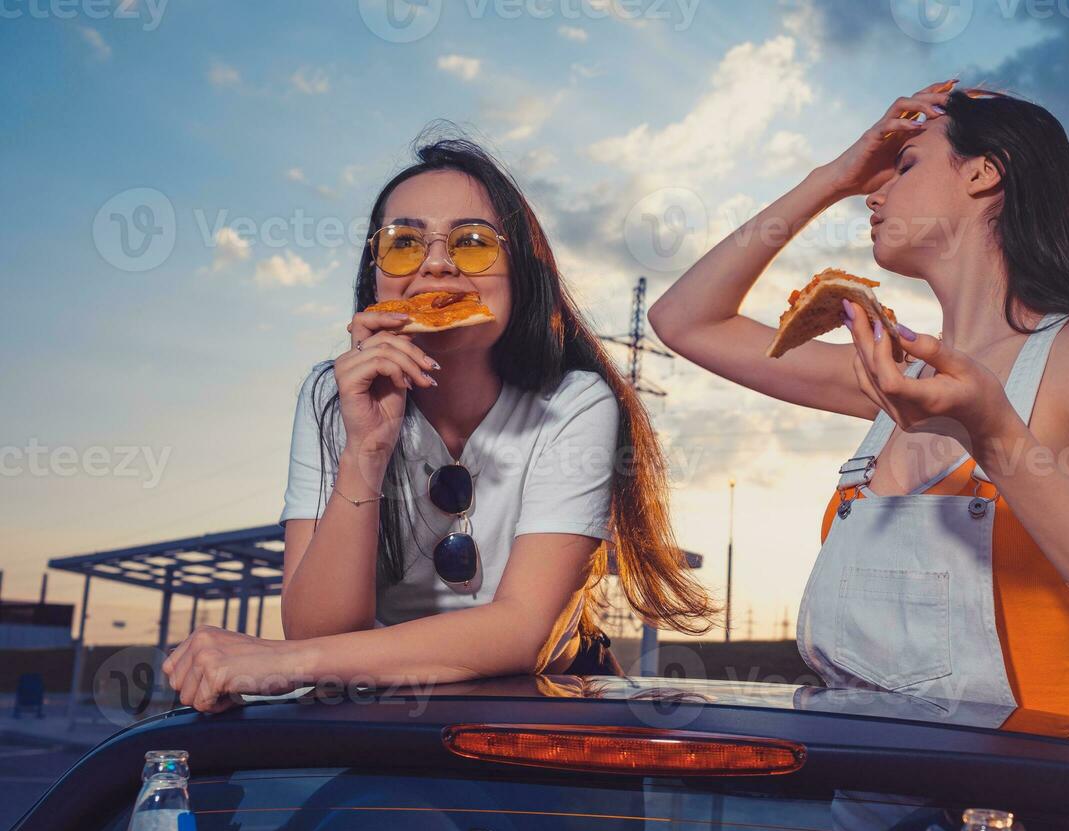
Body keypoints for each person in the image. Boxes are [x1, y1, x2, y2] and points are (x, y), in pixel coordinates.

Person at [648, 81, 1069, 731]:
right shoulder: (897, 373)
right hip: (877, 799)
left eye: (906, 166)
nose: (873, 195)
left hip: (1037, 802)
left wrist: (991, 431)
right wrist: (834, 176)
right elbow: (684, 320)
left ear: (984, 173)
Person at [163, 131, 718, 712]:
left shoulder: (578, 402)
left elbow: (524, 630)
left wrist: (282, 663)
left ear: (523, 272)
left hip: (550, 704)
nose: (435, 265)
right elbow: (316, 628)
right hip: (386, 707)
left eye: (472, 243)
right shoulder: (331, 393)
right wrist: (366, 451)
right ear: (375, 275)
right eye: (403, 244)